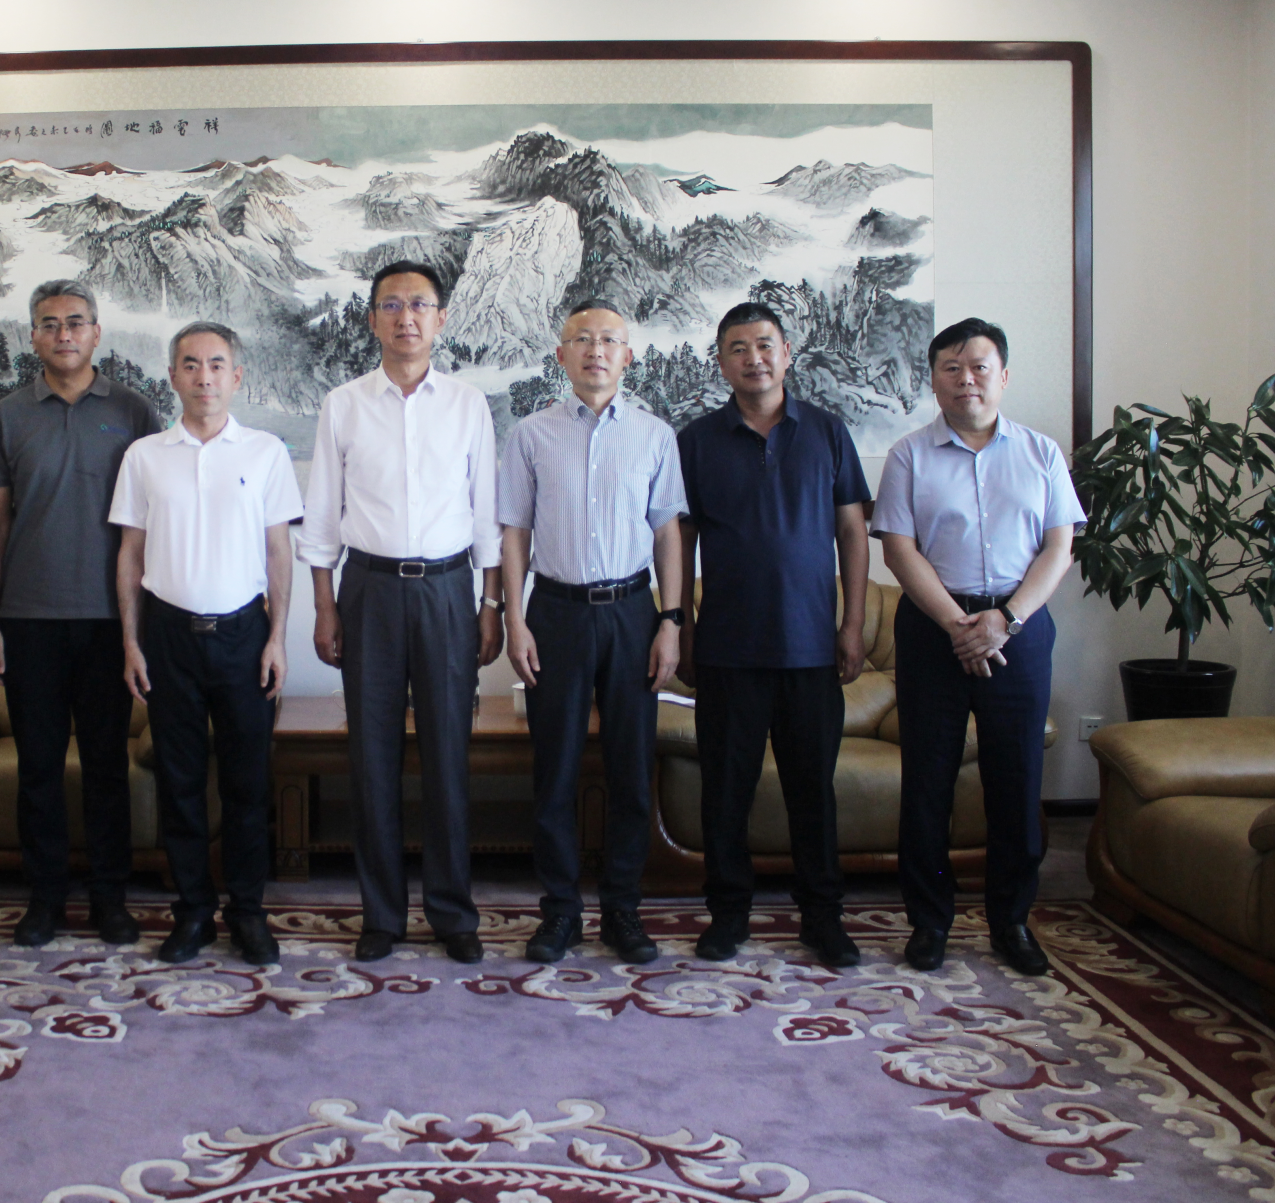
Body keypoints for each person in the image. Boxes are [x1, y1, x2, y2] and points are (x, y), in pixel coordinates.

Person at [301, 260, 504, 963]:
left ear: (440, 318)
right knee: (373, 756)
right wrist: (324, 607)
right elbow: (321, 516)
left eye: (419, 304)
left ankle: (452, 912)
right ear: (373, 320)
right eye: (391, 304)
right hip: (370, 588)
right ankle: (381, 915)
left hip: (448, 590)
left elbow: (487, 514)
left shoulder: (468, 405)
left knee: (449, 756)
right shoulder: (344, 404)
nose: (406, 317)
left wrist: (490, 605)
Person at [873, 317, 1083, 976]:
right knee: (927, 783)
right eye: (951, 368)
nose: (966, 379)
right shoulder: (909, 455)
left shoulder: (1041, 453)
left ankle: (1011, 920)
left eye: (979, 367)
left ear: (1003, 376)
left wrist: (1006, 620)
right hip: (933, 630)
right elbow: (899, 549)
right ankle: (929, 921)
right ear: (934, 381)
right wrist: (958, 626)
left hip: (1019, 628)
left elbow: (1059, 547)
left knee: (1015, 781)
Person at [677, 302, 872, 969]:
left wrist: (852, 623)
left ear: (787, 353)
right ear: (721, 361)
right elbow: (680, 539)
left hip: (811, 647)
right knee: (725, 792)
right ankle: (728, 914)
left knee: (812, 790)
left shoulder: (827, 432)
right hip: (726, 648)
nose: (753, 358)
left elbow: (852, 531)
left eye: (764, 345)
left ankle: (823, 917)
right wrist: (681, 625)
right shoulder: (697, 440)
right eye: (738, 348)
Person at [500, 301, 687, 964]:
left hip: (632, 611)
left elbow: (668, 533)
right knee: (554, 769)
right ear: (562, 355)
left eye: (609, 339)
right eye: (582, 339)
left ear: (627, 355)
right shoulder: (531, 434)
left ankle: (622, 910)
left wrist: (670, 621)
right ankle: (559, 911)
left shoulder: (654, 435)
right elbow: (514, 532)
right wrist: (514, 617)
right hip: (555, 612)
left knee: (631, 769)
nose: (596, 350)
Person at [0, 279, 162, 948]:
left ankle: (111, 896)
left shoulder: (134, 410)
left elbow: (154, 521)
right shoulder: (5, 416)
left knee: (107, 767)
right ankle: (45, 896)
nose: (64, 334)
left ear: (96, 333)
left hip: (113, 621)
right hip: (29, 619)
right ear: (32, 336)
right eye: (50, 323)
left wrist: (145, 624)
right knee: (39, 768)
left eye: (76, 322)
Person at [111, 323, 302, 965]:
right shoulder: (144, 456)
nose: (204, 377)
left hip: (245, 635)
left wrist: (277, 638)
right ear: (172, 376)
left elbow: (279, 551)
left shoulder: (266, 452)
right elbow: (130, 553)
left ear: (236, 376)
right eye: (190, 365)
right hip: (169, 637)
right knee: (181, 784)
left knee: (248, 787)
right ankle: (192, 913)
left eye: (217, 364)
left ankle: (247, 913)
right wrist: (131, 641)